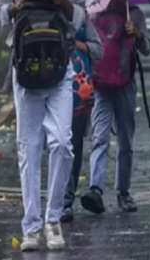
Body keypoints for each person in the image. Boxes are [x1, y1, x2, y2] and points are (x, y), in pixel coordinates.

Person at [0, 0, 101, 251]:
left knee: (63, 144)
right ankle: (32, 227)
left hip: (61, 68)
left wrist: (64, 4)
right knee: (28, 148)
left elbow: (83, 16)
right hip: (25, 71)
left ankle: (53, 220)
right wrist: (15, 7)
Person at [81, 0, 150, 215]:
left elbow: (147, 49)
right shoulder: (95, 12)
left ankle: (124, 192)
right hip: (101, 84)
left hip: (125, 84)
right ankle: (96, 190)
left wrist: (139, 35)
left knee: (125, 141)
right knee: (99, 137)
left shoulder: (135, 13)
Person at [60, 21, 102, 223]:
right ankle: (56, 199)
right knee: (56, 144)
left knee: (74, 145)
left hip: (80, 94)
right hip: (50, 86)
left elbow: (98, 50)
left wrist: (79, 45)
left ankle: (65, 202)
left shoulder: (83, 20)